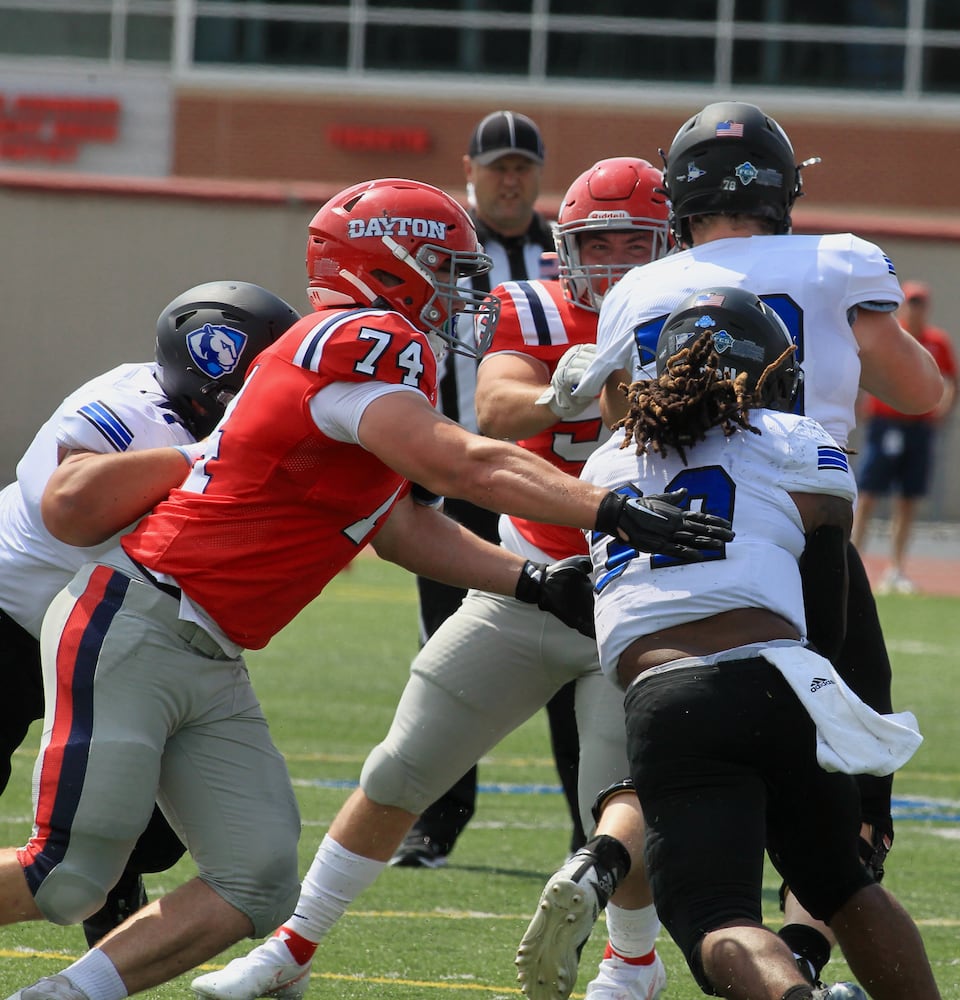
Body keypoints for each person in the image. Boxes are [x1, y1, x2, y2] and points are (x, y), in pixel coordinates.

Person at [0, 176, 731, 1000]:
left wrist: (532, 581)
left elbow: (400, 526)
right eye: (444, 267)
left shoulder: (369, 375)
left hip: (210, 651)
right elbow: (460, 462)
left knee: (259, 881)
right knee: (67, 876)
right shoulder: (361, 337)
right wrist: (609, 507)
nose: (461, 291)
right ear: (388, 265)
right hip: (136, 618)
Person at [191, 157, 676, 1000]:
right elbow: (494, 413)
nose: (620, 264)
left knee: (617, 793)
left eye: (639, 244)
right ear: (569, 248)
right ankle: (291, 948)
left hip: (645, 586)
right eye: (602, 244)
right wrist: (570, 394)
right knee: (402, 767)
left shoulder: (703, 317)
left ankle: (632, 964)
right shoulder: (533, 305)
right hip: (538, 568)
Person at [551, 99, 946, 988]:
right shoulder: (838, 273)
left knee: (707, 884)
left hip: (658, 579)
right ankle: (830, 901)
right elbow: (923, 392)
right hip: (804, 541)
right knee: (843, 857)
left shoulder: (632, 331)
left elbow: (617, 423)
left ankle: (616, 889)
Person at [0, 280, 299, 950]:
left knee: (155, 830)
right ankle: (91, 888)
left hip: (111, 637)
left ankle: (109, 885)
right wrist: (205, 458)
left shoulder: (229, 425)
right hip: (11, 619)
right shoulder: (131, 406)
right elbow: (71, 508)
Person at [396, 108, 583, 869]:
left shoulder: (567, 252)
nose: (510, 178)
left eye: (522, 166)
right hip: (456, 470)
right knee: (449, 649)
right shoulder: (445, 247)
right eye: (497, 165)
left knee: (576, 643)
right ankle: (437, 821)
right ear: (469, 169)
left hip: (546, 476)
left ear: (539, 174)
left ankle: (589, 825)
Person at [850, 279, 960, 595]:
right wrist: (859, 404)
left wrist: (943, 409)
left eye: (920, 302)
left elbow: (952, 378)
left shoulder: (937, 341)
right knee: (868, 494)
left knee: (908, 500)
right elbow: (861, 366)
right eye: (911, 302)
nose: (916, 308)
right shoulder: (890, 335)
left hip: (919, 426)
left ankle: (896, 568)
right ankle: (854, 559)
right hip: (886, 424)